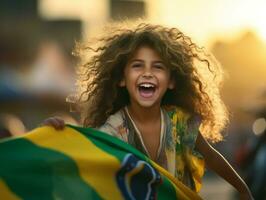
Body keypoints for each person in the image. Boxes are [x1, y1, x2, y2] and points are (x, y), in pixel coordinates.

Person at [43, 22, 253, 199]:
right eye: (137, 66)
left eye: (158, 67)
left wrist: (244, 191)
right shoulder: (113, 129)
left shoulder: (180, 122)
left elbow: (211, 156)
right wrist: (58, 134)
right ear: (121, 79)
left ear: (171, 81)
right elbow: (80, 156)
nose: (147, 73)